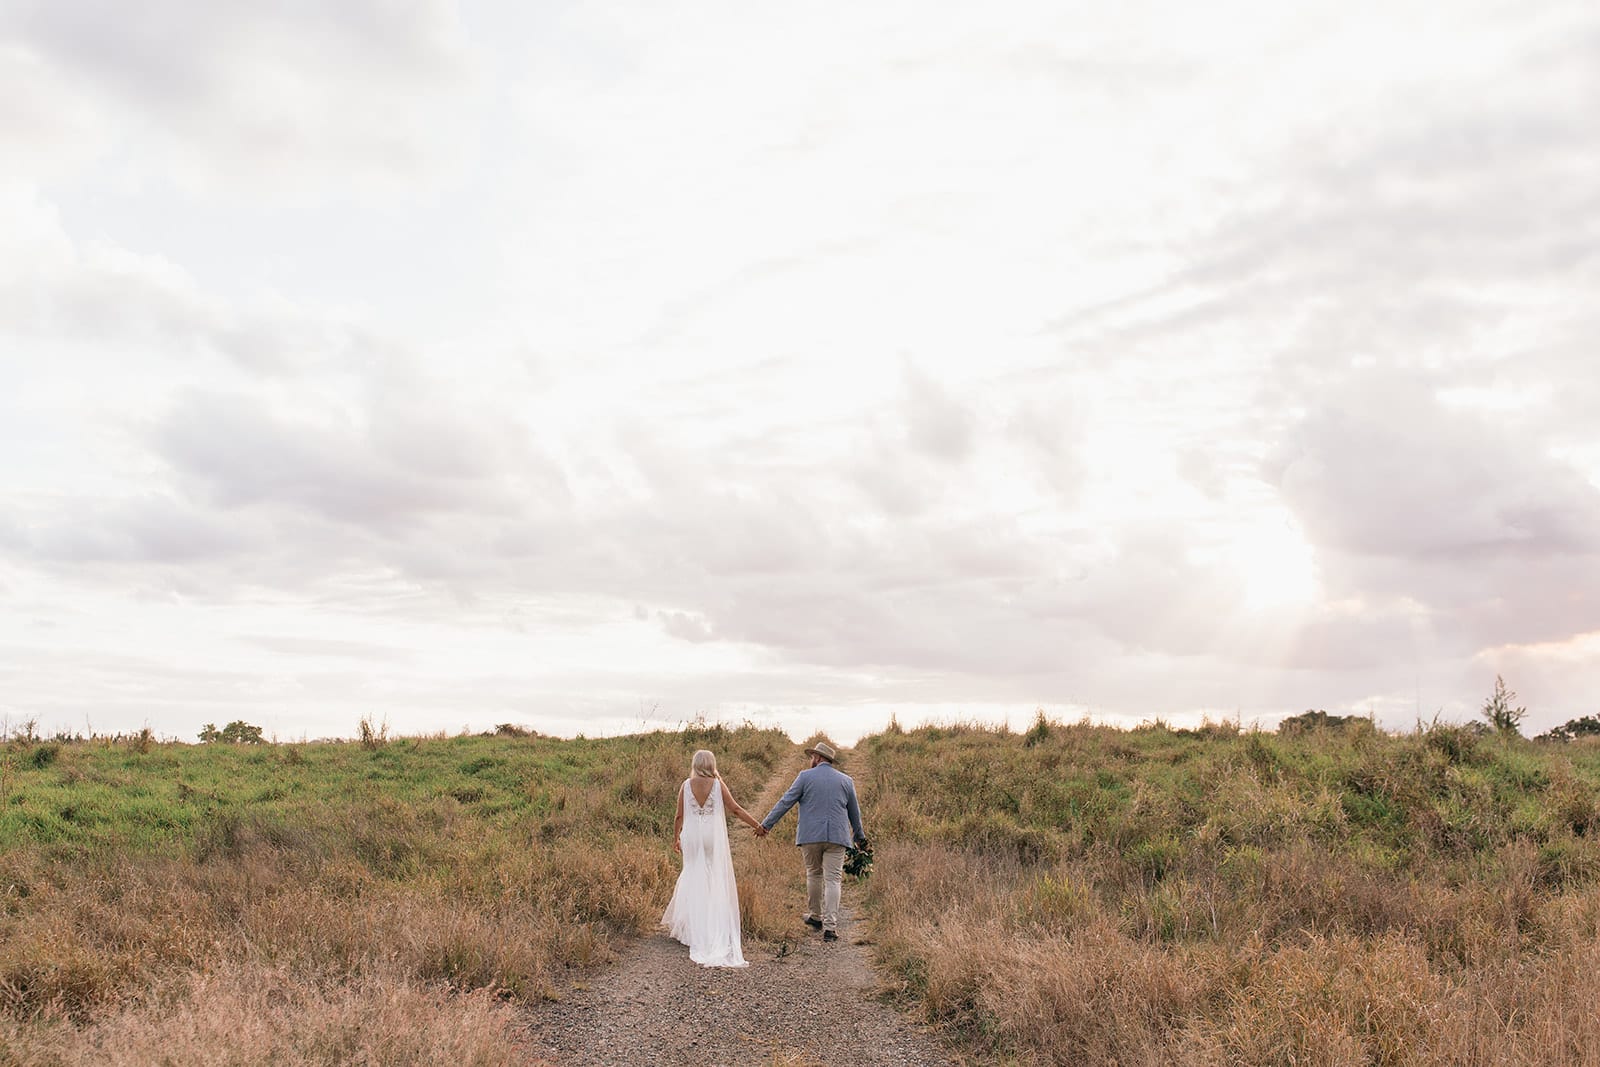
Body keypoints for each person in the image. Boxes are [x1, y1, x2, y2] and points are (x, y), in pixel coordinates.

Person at [661, 748, 767, 967]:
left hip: (690, 834)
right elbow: (736, 809)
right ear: (711, 765)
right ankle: (709, 925)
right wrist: (757, 824)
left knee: (692, 873)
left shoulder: (685, 785)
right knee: (710, 876)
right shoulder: (718, 785)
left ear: (695, 764)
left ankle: (690, 927)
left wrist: (676, 838)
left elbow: (679, 815)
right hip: (711, 835)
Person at [759, 741, 868, 943]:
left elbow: (785, 802)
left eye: (812, 757)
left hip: (810, 836)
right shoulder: (846, 781)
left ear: (817, 758)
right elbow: (855, 813)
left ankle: (815, 916)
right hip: (837, 836)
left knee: (814, 874)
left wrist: (767, 825)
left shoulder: (804, 777)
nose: (811, 760)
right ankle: (830, 927)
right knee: (833, 879)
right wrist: (859, 838)